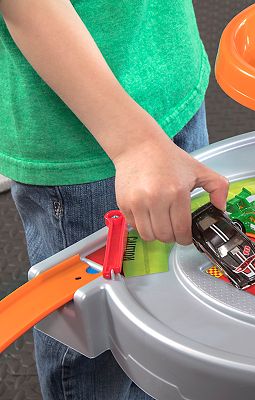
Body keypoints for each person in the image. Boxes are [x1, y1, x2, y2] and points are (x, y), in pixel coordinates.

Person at [0, 1, 229, 399]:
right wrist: (134, 144)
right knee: (100, 356)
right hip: (86, 135)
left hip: (172, 74)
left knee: (171, 307)